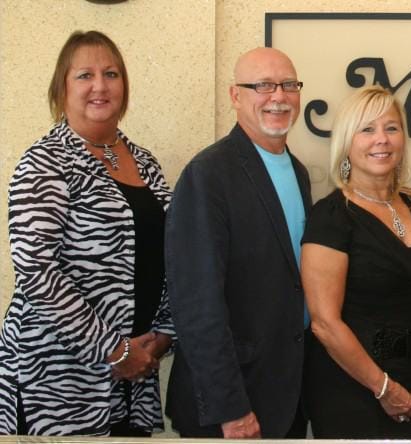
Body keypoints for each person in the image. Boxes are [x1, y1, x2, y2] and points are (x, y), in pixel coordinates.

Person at [0, 30, 173, 436]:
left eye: (111, 74)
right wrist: (112, 350)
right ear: (61, 88)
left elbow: (172, 252)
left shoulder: (145, 162)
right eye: (84, 75)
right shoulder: (44, 163)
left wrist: (165, 332)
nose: (100, 85)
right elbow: (35, 268)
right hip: (57, 379)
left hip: (134, 375)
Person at [164, 47, 311, 439]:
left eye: (289, 85)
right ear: (235, 96)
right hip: (234, 407)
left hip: (285, 394)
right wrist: (231, 408)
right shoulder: (208, 174)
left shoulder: (298, 172)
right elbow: (197, 304)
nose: (278, 96)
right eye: (262, 85)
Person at [300, 85, 411, 439]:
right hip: (350, 388)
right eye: (367, 129)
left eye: (391, 128)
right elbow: (324, 324)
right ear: (347, 143)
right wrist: (383, 388)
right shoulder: (332, 216)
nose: (381, 140)